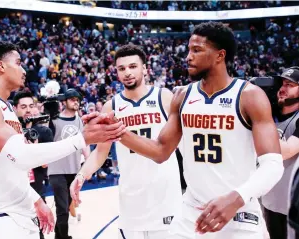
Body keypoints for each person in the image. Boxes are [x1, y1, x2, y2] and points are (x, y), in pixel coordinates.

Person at [116, 22, 284, 238]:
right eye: (188, 49)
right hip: (192, 214)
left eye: (196, 50)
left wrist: (237, 197)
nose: (188, 57)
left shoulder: (249, 96)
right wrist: (118, 132)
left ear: (219, 56)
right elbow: (160, 151)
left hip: (239, 212)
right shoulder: (183, 96)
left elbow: (273, 165)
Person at [0, 41, 126, 239]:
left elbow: (10, 166)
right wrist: (82, 139)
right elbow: (21, 156)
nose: (23, 69)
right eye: (18, 62)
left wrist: (35, 199)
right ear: (0, 66)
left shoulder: (7, 108)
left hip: (19, 212)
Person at [70, 44, 183, 239]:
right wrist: (81, 176)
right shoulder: (111, 106)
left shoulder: (164, 97)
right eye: (122, 69)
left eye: (133, 66)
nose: (127, 73)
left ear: (144, 69)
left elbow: (183, 147)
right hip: (131, 202)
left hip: (166, 200)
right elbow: (100, 152)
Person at [261, 66, 299, 239]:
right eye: (282, 84)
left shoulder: (265, 119)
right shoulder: (270, 114)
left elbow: (287, 151)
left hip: (291, 205)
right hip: (270, 201)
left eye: (290, 85)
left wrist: (258, 122)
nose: (283, 88)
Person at [47, 89, 90, 239]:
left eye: (77, 99)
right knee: (62, 208)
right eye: (72, 99)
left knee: (65, 206)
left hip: (74, 170)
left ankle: (59, 236)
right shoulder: (54, 120)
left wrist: (89, 163)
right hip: (56, 170)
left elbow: (85, 143)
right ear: (64, 102)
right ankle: (63, 237)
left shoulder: (79, 120)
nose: (76, 102)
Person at [13, 91, 54, 239]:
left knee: (38, 234)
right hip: (12, 194)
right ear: (15, 109)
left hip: (36, 192)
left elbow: (45, 164)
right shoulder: (7, 132)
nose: (28, 110)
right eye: (23, 106)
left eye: (31, 106)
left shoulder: (44, 132)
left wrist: (35, 150)